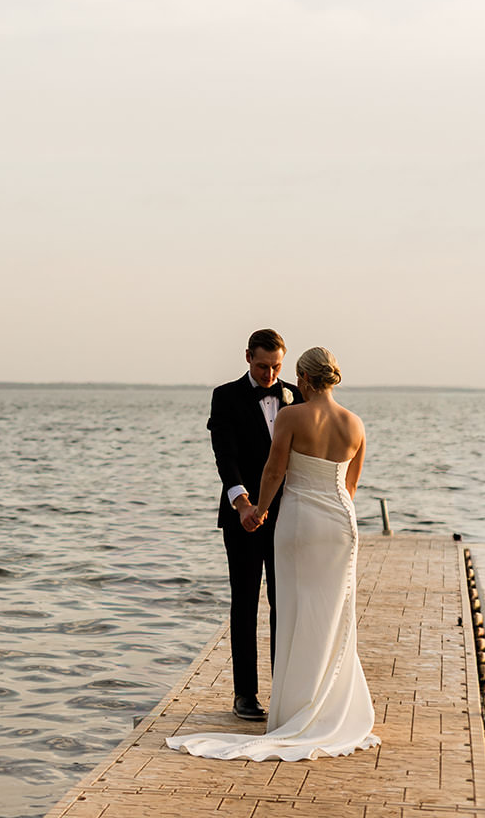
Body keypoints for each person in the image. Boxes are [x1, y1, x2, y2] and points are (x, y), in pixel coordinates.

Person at [167, 345, 380, 762]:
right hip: (340, 524)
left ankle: (294, 708)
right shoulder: (355, 423)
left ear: (301, 378)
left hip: (298, 521)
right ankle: (331, 705)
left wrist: (260, 509)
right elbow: (351, 486)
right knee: (333, 614)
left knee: (296, 610)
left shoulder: (291, 414)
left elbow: (274, 469)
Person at [204, 327, 303, 721]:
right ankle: (245, 695)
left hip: (289, 515)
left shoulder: (298, 394)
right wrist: (243, 504)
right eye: (262, 366)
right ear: (247, 357)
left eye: (276, 367)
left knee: (286, 603)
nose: (269, 375)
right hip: (242, 517)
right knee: (244, 604)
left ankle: (285, 692)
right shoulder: (225, 397)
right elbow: (224, 456)